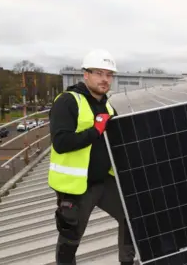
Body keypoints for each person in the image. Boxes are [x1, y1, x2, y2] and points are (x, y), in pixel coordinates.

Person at [48, 49, 136, 265]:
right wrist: (95, 131)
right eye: (98, 73)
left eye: (109, 74)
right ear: (85, 74)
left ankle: (127, 261)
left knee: (132, 215)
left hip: (104, 181)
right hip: (77, 186)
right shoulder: (68, 101)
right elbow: (60, 143)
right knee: (71, 238)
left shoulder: (107, 105)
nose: (104, 79)